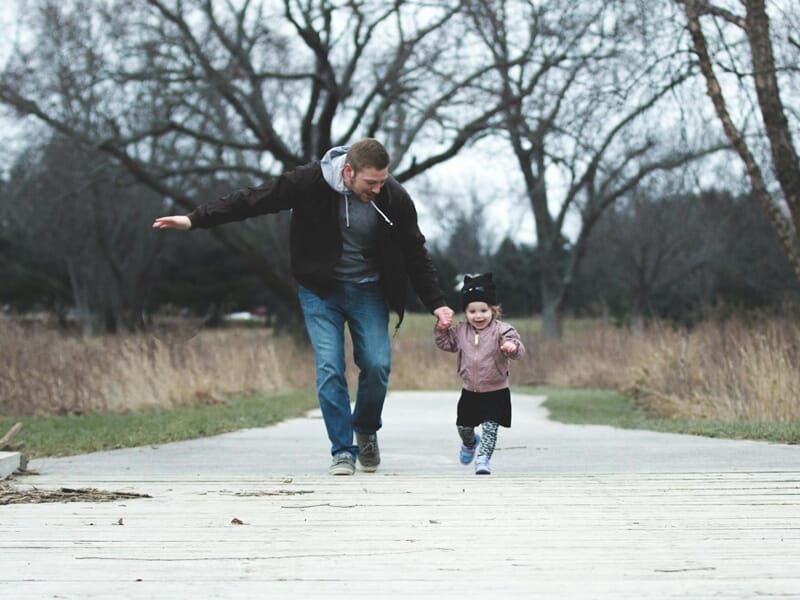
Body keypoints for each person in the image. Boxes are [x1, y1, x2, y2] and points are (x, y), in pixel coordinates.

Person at [153, 138, 454, 476]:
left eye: (382, 181)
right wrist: (195, 219)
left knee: (377, 364)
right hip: (319, 290)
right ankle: (343, 450)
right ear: (348, 170)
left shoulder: (393, 197)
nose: (377, 189)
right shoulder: (309, 181)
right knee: (329, 368)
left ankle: (366, 429)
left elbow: (415, 252)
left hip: (368, 289)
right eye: (371, 183)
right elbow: (254, 199)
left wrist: (437, 304)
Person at [434, 273, 525, 475]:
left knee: (490, 430)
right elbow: (445, 344)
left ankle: (483, 460)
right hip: (470, 391)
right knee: (464, 427)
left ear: (493, 310)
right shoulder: (460, 331)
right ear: (465, 313)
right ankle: (469, 443)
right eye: (472, 311)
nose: (478, 316)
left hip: (496, 391)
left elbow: (519, 349)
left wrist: (512, 347)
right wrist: (441, 330)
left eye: (484, 310)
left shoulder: (502, 330)